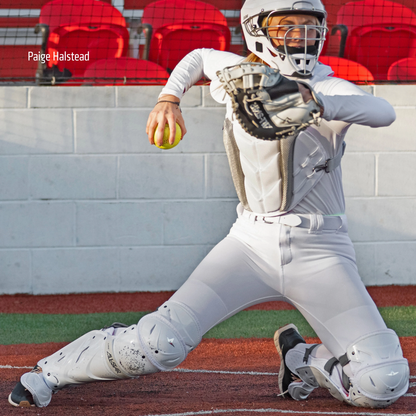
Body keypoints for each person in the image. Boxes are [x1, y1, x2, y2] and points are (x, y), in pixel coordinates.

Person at [9, 0, 409, 409]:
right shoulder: (240, 76)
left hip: (322, 250)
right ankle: (48, 373)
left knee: (383, 382)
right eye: (287, 27)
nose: (301, 38)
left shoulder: (327, 85)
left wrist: (315, 102)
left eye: (309, 28)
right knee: (157, 344)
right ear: (257, 30)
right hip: (250, 244)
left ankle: (301, 359)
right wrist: (169, 98)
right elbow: (198, 56)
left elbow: (382, 111)